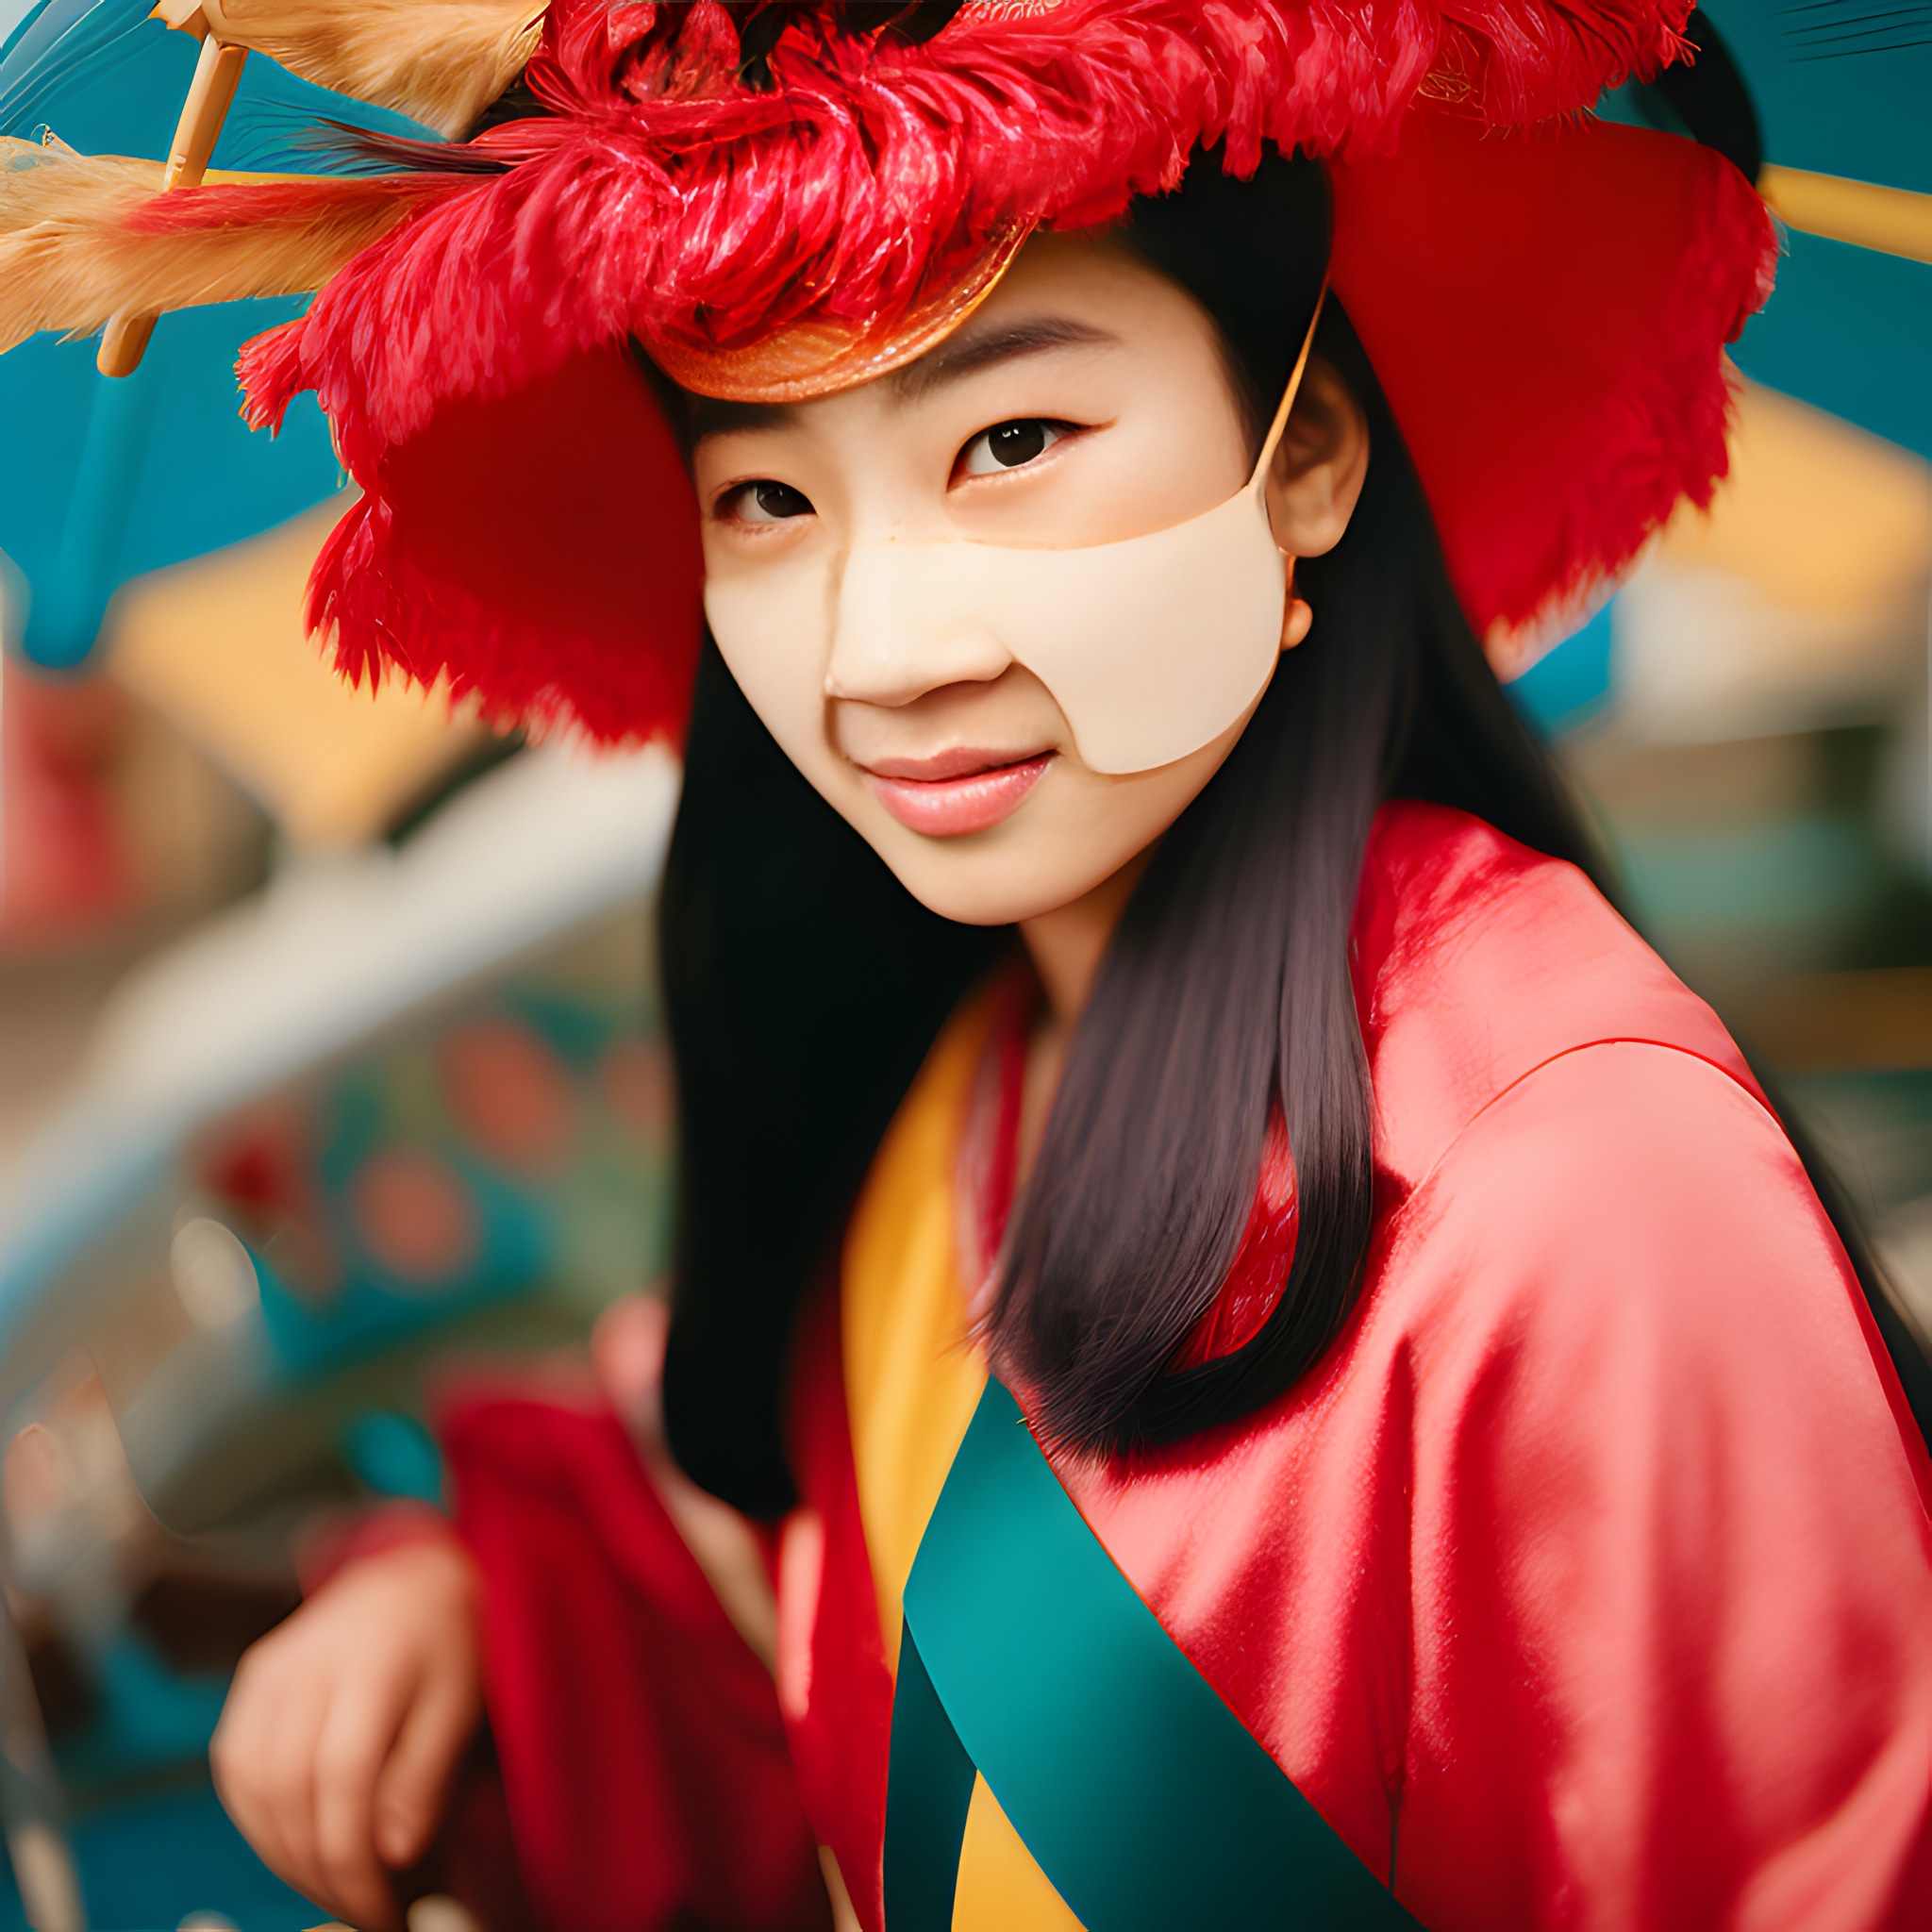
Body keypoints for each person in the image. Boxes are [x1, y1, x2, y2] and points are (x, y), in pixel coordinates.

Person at [12, 3, 1932, 1926]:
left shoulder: (1588, 1186)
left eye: (1013, 441)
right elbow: (767, 1598)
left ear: (1309, 453)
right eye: (767, 499)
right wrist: (458, 1612)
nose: (883, 656)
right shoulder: (953, 1074)